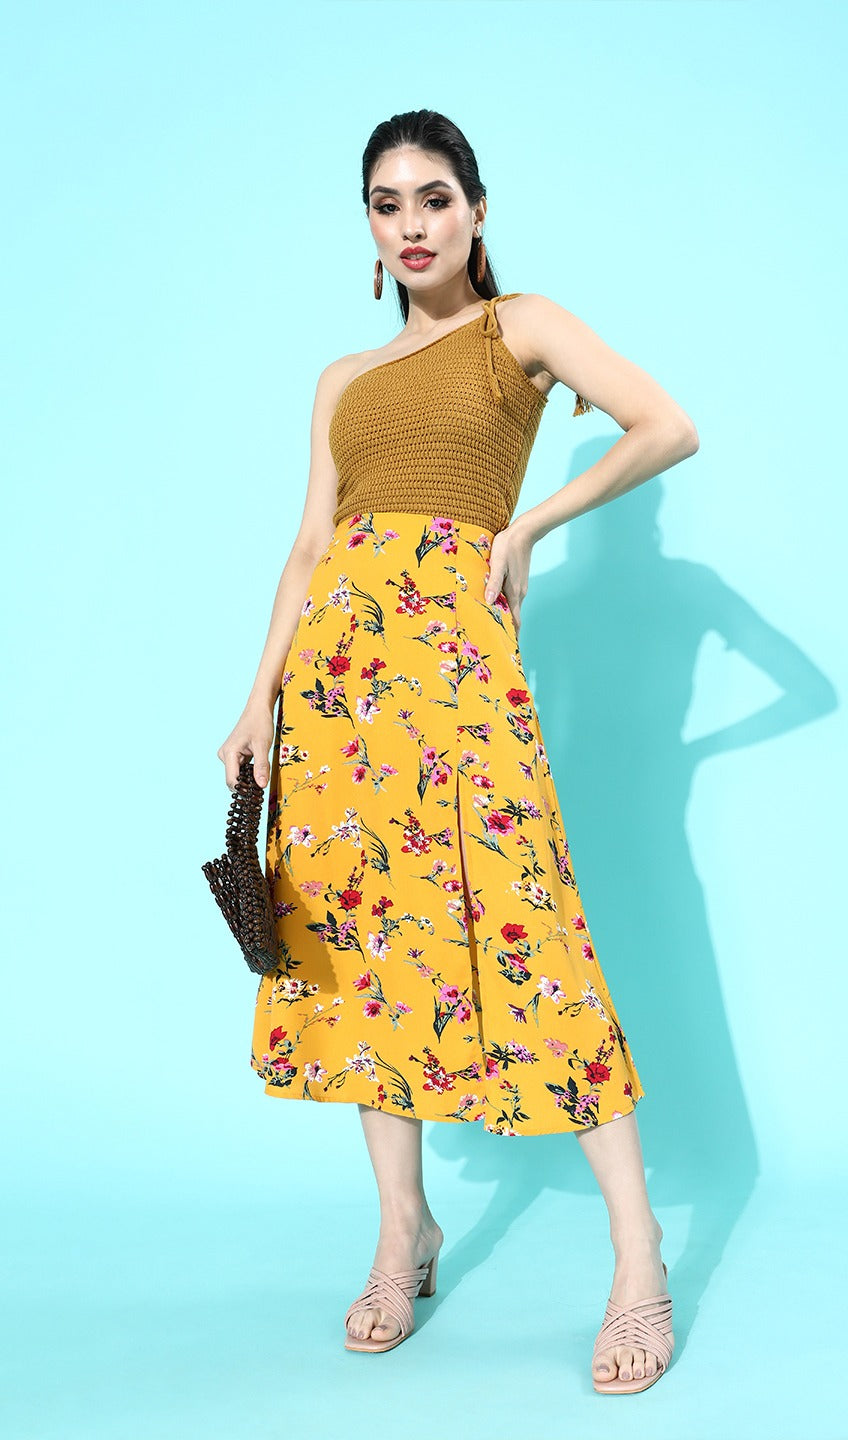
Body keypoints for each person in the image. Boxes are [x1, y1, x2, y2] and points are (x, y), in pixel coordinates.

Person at [216, 108, 699, 1394]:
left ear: (477, 210)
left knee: (535, 933)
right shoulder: (343, 379)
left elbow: (664, 425)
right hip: (337, 693)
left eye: (434, 198)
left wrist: (529, 525)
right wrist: (258, 702)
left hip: (457, 673)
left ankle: (638, 1256)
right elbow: (310, 548)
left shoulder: (519, 327)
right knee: (369, 952)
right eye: (388, 204)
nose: (412, 224)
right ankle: (402, 1235)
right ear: (370, 227)